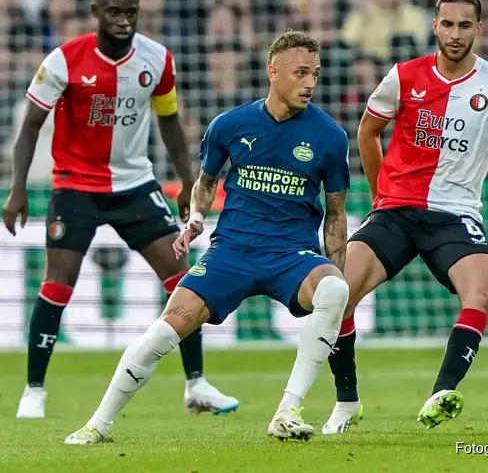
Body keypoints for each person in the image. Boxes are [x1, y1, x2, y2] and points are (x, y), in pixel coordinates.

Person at [64, 29, 351, 445]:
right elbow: (205, 182)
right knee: (165, 331)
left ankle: (287, 411)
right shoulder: (230, 125)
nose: (309, 83)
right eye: (300, 72)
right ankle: (98, 423)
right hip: (231, 251)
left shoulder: (329, 136)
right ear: (273, 71)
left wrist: (336, 273)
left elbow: (337, 213)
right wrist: (197, 218)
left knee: (334, 291)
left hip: (292, 254)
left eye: (316, 74)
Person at [2, 0, 238, 419]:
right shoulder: (64, 61)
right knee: (57, 283)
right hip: (76, 186)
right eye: (114, 12)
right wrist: (17, 189)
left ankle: (197, 385)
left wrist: (187, 180)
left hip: (134, 185)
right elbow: (31, 125)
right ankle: (34, 389)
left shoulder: (157, 58)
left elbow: (168, 120)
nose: (124, 20)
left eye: (131, 12)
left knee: (180, 275)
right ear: (96, 12)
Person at [321, 0, 488, 433]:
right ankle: (346, 402)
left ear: (478, 29)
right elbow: (367, 135)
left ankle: (443, 392)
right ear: (434, 26)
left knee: (483, 292)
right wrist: (381, 192)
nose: (456, 34)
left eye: (465, 25)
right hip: (398, 209)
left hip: (455, 215)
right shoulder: (403, 76)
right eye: (448, 24)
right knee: (338, 296)